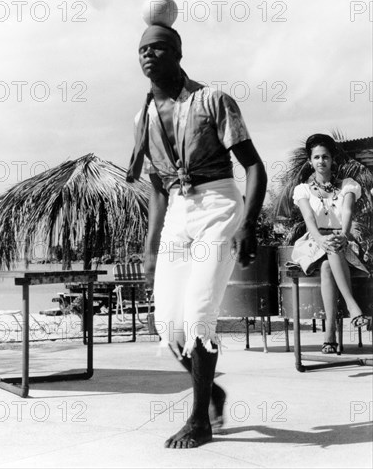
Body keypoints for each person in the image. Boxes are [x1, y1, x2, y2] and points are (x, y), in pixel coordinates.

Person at [126, 24, 267, 448]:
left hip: (219, 203)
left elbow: (254, 166)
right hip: (177, 212)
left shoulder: (213, 100)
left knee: (198, 314)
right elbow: (155, 187)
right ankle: (212, 391)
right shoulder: (143, 116)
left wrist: (248, 223)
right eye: (143, 50)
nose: (150, 55)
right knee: (167, 322)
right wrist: (151, 249)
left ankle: (199, 421)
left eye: (159, 48)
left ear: (178, 53)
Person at [291, 133, 370, 354]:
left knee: (329, 262)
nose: (321, 161)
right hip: (313, 241)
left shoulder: (348, 185)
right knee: (330, 248)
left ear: (332, 159)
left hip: (341, 240)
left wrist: (343, 235)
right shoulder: (303, 190)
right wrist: (322, 239)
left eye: (325, 156)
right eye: (316, 157)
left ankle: (330, 335)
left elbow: (347, 212)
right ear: (310, 161)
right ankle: (352, 307)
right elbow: (309, 221)